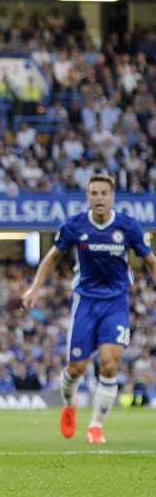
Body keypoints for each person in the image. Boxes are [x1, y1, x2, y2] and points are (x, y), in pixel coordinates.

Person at [22, 174, 156, 444]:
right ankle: (70, 406)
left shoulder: (128, 227)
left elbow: (150, 260)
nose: (99, 198)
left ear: (112, 196)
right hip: (85, 302)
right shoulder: (75, 225)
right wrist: (35, 288)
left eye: (104, 193)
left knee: (109, 365)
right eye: (94, 193)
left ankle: (96, 427)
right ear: (88, 196)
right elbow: (52, 257)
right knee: (75, 369)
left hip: (116, 302)